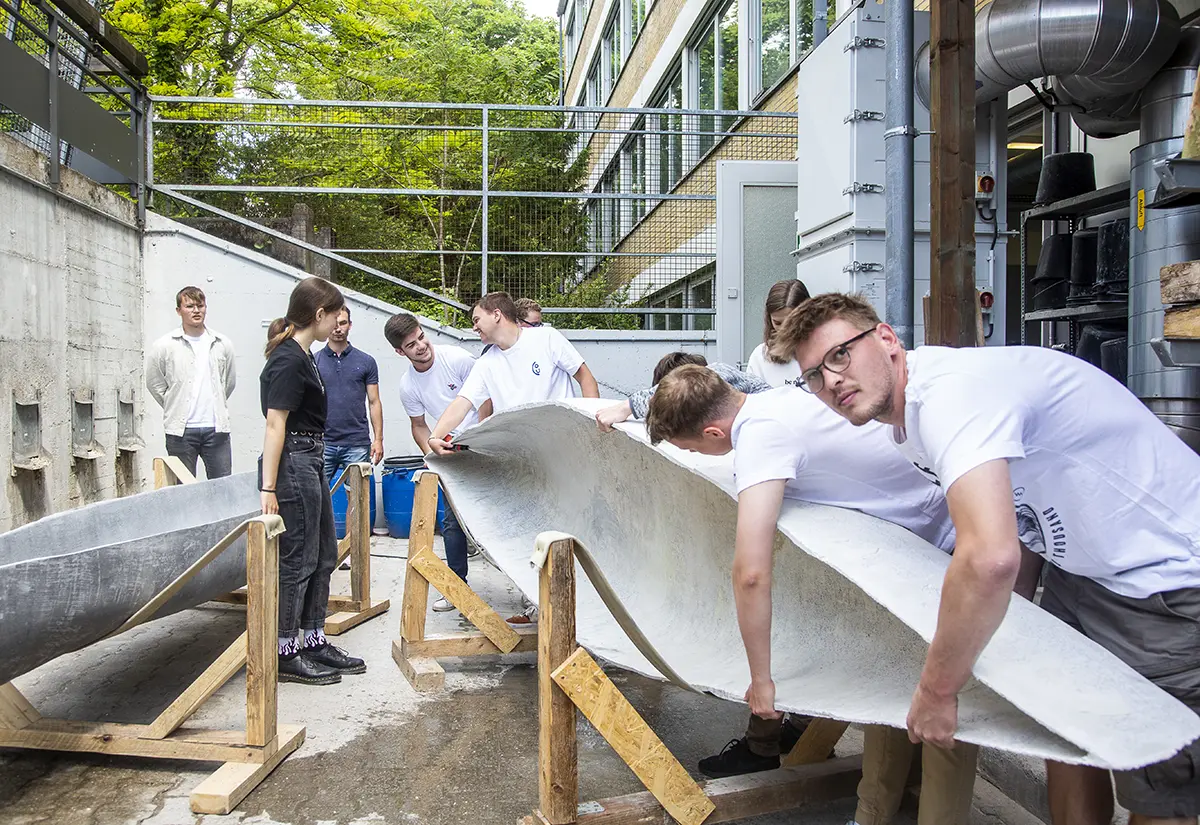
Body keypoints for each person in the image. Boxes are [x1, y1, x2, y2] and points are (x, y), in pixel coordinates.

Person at [775, 292, 1200, 825]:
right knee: (1068, 737)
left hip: (1165, 578)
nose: (831, 382)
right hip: (1084, 571)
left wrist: (937, 690)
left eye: (839, 355)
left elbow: (989, 557)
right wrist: (1008, 631)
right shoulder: (907, 422)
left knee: (1158, 785)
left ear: (886, 339)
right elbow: (1015, 526)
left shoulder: (951, 397)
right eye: (813, 376)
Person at [646, 364, 1044, 824]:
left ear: (713, 431)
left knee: (948, 711)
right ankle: (872, 814)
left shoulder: (761, 439)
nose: (699, 454)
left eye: (692, 447)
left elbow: (751, 572)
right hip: (919, 546)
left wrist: (761, 680)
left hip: (952, 551)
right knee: (887, 685)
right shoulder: (780, 397)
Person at [260, 277, 365, 686]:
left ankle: (313, 638)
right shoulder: (287, 359)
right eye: (336, 312)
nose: (340, 319)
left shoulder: (306, 355)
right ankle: (286, 650)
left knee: (323, 553)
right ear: (318, 315)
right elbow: (274, 424)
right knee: (298, 558)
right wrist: (268, 488)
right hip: (294, 463)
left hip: (311, 458)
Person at [386, 312, 492, 612]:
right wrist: (433, 456)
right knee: (451, 523)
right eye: (411, 345)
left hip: (486, 442)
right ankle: (457, 587)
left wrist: (484, 435)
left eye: (421, 337)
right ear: (400, 351)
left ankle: (525, 591)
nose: (421, 346)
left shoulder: (457, 359)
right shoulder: (409, 386)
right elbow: (419, 425)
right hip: (450, 450)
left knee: (495, 517)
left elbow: (486, 396)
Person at [427, 291, 599, 451]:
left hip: (562, 444)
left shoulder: (547, 337)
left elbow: (585, 378)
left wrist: (592, 427)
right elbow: (462, 403)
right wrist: (435, 437)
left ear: (496, 315)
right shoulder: (485, 364)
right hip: (518, 452)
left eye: (476, 320)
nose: (474, 327)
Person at [314, 306, 383, 570]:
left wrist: (378, 439)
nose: (338, 328)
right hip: (324, 441)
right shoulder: (315, 360)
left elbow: (374, 402)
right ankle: (324, 552)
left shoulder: (366, 361)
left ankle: (352, 551)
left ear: (350, 325)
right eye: (335, 323)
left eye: (343, 323)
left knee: (357, 500)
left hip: (357, 442)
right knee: (319, 498)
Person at [146, 286, 237, 479]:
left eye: (200, 305)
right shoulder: (165, 345)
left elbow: (228, 383)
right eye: (189, 306)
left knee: (222, 488)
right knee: (183, 491)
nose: (196, 310)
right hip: (181, 431)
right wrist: (174, 403)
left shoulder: (222, 343)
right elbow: (155, 383)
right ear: (179, 311)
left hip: (216, 429)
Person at [744, 279, 808, 388]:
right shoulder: (760, 356)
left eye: (791, 322)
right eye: (777, 323)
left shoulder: (824, 351)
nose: (784, 329)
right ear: (769, 319)